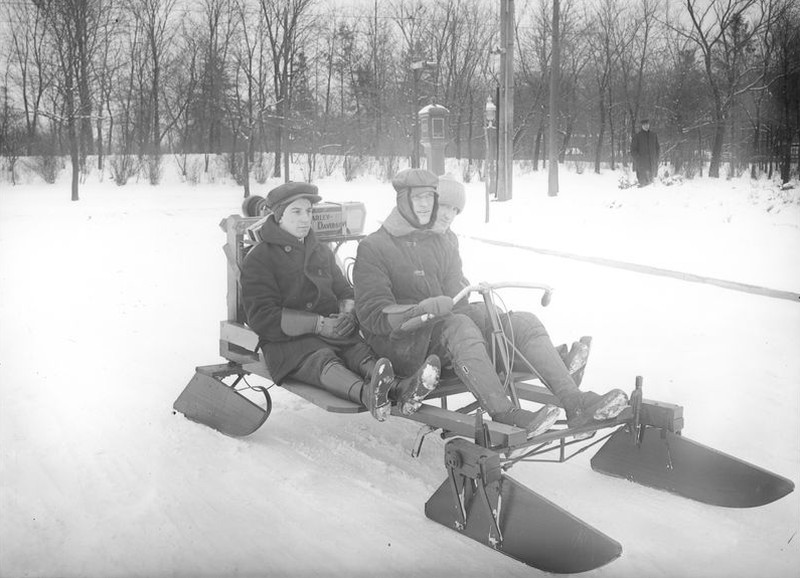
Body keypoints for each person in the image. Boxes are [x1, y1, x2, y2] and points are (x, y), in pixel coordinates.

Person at [353, 169, 628, 438]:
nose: (427, 206)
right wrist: (420, 310)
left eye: (429, 197)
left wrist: (469, 295)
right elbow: (373, 315)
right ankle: (504, 413)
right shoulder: (374, 247)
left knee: (519, 322)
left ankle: (574, 401)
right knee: (459, 325)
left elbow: (454, 292)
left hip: (440, 332)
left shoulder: (443, 240)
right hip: (401, 345)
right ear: (403, 201)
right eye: (418, 198)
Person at [240, 182, 440, 422]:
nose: (305, 218)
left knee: (358, 350)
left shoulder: (320, 251)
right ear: (279, 215)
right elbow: (262, 316)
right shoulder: (260, 258)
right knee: (321, 358)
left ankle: (400, 388)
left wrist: (347, 315)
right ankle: (367, 394)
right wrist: (318, 325)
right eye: (297, 211)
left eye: (309, 211)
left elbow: (345, 290)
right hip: (286, 342)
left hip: (333, 332)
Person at [433, 173, 591, 382]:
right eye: (444, 206)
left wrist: (465, 285)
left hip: (455, 309)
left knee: (498, 317)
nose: (448, 215)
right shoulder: (416, 240)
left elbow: (454, 277)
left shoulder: (449, 238)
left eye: (454, 210)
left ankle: (552, 359)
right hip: (437, 323)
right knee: (483, 325)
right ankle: (556, 362)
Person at [630, 118, 660, 187]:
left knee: (652, 185)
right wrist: (638, 159)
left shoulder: (653, 135)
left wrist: (656, 158)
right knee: (643, 185)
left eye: (647, 124)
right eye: (644, 125)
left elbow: (657, 148)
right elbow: (633, 150)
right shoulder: (637, 136)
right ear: (642, 126)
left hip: (652, 164)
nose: (646, 126)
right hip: (642, 165)